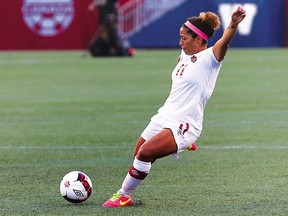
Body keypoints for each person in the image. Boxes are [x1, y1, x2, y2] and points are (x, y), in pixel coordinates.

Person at [102, 6, 246, 207]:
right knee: (138, 155)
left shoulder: (211, 59)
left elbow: (225, 41)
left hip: (185, 123)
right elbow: (185, 58)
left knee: (146, 153)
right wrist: (183, 54)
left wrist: (233, 23)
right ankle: (180, 145)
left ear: (198, 39)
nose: (180, 42)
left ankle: (123, 195)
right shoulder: (185, 53)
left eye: (184, 38)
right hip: (164, 115)